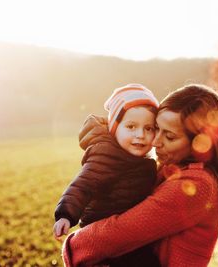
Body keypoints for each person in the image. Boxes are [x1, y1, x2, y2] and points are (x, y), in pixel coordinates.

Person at [62, 84, 218, 267]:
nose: (156, 142)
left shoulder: (197, 186)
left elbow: (124, 232)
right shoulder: (170, 170)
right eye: (156, 128)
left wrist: (74, 246)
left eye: (170, 136)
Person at [54, 84, 161, 266]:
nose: (140, 135)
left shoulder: (142, 160)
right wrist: (66, 214)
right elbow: (83, 184)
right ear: (114, 128)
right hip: (103, 233)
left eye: (149, 128)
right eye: (131, 126)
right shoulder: (106, 155)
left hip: (128, 233)